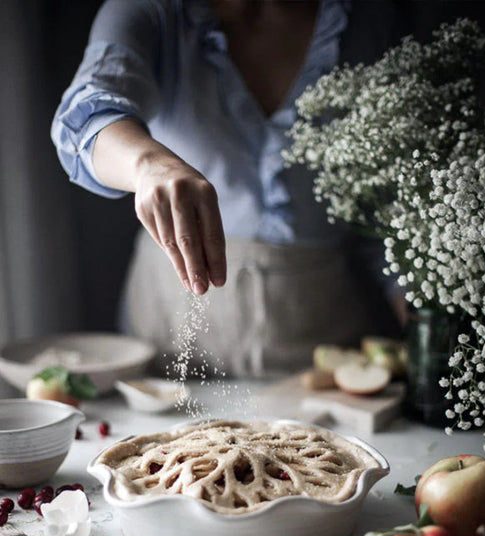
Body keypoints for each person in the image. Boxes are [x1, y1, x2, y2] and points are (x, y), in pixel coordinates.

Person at [52, 0, 406, 378]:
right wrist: (148, 166)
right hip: (171, 333)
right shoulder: (150, 11)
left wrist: (432, 336)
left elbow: (392, 206)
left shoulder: (369, 21)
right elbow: (86, 115)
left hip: (325, 347)